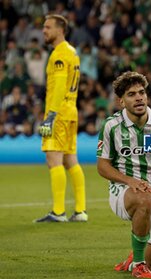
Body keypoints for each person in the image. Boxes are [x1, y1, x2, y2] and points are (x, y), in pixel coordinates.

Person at [97, 71, 151, 278]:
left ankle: (137, 257)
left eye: (142, 92)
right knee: (142, 200)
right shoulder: (111, 127)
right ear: (121, 101)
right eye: (132, 94)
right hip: (123, 189)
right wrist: (130, 181)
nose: (139, 97)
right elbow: (102, 167)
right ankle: (138, 264)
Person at [35, 14, 87, 223]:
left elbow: (58, 86)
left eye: (48, 27)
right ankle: (80, 211)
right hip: (71, 111)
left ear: (60, 29)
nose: (44, 31)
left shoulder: (59, 54)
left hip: (58, 114)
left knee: (53, 159)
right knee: (70, 160)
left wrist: (50, 116)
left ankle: (58, 212)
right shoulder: (72, 52)